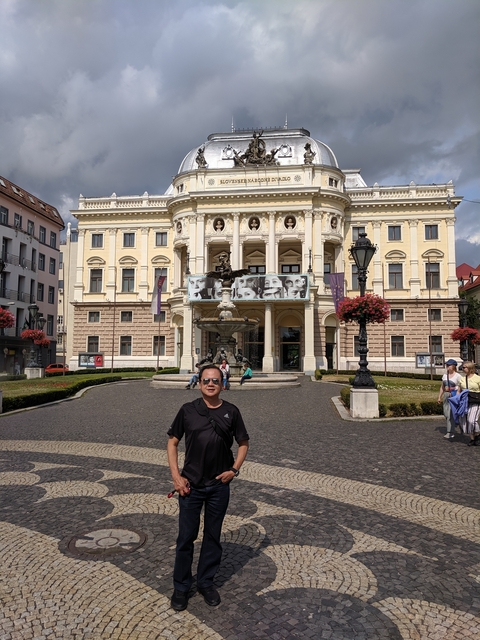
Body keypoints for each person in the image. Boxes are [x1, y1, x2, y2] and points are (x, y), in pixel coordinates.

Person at [167, 364, 249, 611]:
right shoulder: (187, 410)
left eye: (216, 380)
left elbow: (244, 442)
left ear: (223, 384)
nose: (211, 384)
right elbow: (172, 443)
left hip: (218, 486)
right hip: (190, 485)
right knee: (186, 538)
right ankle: (181, 587)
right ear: (199, 383)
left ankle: (205, 582)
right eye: (206, 380)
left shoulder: (231, 411)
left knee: (213, 537)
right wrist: (176, 477)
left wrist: (234, 469)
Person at [456, 361, 480, 446]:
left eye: (464, 367)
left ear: (470, 368)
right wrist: (457, 400)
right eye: (462, 367)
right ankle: (472, 439)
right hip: (465, 402)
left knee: (472, 420)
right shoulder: (462, 379)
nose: (462, 369)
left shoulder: (477, 378)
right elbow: (459, 391)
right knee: (465, 422)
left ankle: (477, 434)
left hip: (475, 401)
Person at [437, 359, 462, 440]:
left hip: (454, 395)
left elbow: (461, 387)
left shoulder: (458, 376)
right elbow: (442, 387)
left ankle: (450, 432)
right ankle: (456, 423)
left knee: (450, 414)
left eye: (449, 365)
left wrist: (456, 393)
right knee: (446, 413)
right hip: (446, 395)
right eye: (447, 365)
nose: (447, 366)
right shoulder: (445, 375)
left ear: (454, 366)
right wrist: (439, 396)